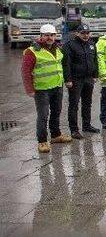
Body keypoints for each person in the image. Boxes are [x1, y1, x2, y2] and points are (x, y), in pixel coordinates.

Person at [22, 24, 73, 153]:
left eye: (52, 35)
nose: (49, 38)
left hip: (57, 86)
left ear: (55, 36)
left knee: (56, 112)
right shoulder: (32, 51)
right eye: (46, 35)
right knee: (43, 115)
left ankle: (56, 135)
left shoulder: (58, 48)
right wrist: (30, 89)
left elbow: (64, 65)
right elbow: (25, 71)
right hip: (41, 89)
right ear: (41, 36)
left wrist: (67, 80)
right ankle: (42, 141)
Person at [62, 24, 99, 139]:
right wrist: (68, 79)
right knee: (74, 105)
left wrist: (95, 75)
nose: (85, 35)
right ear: (77, 33)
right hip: (75, 79)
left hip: (88, 78)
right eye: (83, 33)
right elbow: (66, 63)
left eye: (87, 33)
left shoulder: (92, 44)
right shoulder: (70, 45)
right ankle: (74, 130)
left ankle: (86, 125)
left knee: (87, 104)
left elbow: (95, 60)